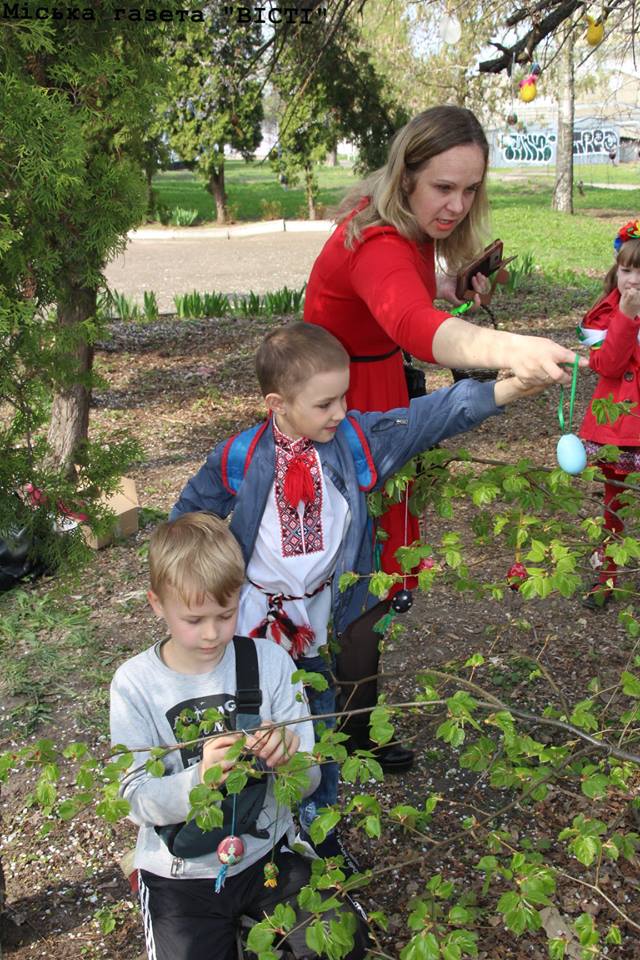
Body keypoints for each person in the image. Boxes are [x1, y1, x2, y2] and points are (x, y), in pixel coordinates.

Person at [170, 322, 548, 858]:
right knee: (258, 731)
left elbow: (429, 418)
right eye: (325, 403)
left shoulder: (352, 444)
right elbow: (184, 523)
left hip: (324, 624)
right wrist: (204, 593)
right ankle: (255, 835)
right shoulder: (239, 458)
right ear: (277, 403)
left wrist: (506, 388)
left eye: (344, 397)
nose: (341, 412)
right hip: (255, 630)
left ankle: (317, 834)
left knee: (318, 729)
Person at [303, 104, 585, 758]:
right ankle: (350, 735)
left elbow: (411, 308)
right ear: (406, 177)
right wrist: (505, 346)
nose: (457, 205)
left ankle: (346, 717)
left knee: (370, 566)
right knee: (358, 574)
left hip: (370, 391)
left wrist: (458, 290)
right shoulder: (375, 241)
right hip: (342, 414)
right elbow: (409, 322)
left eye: (470, 189)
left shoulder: (407, 230)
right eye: (443, 187)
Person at [110, 512, 368, 960]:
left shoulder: (269, 663)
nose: (211, 633)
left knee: (344, 944)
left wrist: (289, 759)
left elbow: (308, 782)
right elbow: (135, 798)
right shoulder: (135, 684)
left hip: (267, 854)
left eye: (225, 615)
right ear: (157, 604)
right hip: (179, 875)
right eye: (194, 619)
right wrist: (199, 780)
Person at [579, 219, 640, 608]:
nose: (632, 279)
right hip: (618, 426)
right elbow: (609, 366)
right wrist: (627, 317)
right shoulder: (604, 314)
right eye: (626, 268)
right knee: (613, 503)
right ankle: (608, 574)